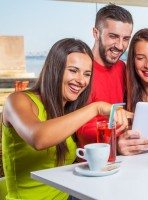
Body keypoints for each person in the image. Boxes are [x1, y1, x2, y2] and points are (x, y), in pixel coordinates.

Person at [1, 38, 129, 200]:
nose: (82, 80)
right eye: (73, 70)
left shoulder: (68, 110)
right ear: (55, 69)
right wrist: (95, 107)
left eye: (87, 74)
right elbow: (38, 138)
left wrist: (120, 143)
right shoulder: (18, 101)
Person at [76, 4, 134, 148]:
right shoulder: (80, 71)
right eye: (113, 36)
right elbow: (77, 129)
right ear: (96, 33)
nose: (120, 46)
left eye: (126, 38)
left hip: (121, 157)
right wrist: (116, 138)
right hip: (89, 160)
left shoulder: (122, 68)